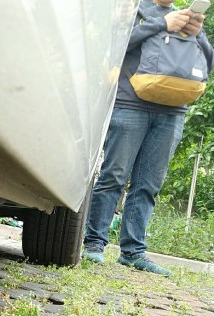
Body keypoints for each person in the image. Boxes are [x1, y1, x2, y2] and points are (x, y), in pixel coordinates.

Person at [82, 0, 214, 276]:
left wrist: (199, 33)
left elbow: (208, 63)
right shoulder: (133, 10)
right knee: (114, 177)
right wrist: (162, 24)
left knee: (148, 185)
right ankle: (94, 243)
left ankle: (133, 252)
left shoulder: (185, 16)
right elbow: (114, 47)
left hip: (173, 112)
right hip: (130, 105)